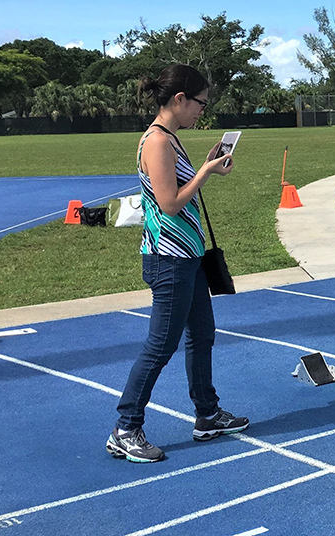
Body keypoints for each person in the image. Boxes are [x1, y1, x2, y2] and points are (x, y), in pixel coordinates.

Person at [107, 64, 249, 464]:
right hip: (167, 259)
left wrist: (205, 166)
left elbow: (177, 190)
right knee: (161, 345)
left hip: (188, 256)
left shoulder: (171, 138)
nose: (202, 111)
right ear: (180, 99)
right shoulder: (156, 141)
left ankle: (207, 414)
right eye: (200, 103)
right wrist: (204, 172)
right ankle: (125, 428)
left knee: (202, 335)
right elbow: (169, 204)